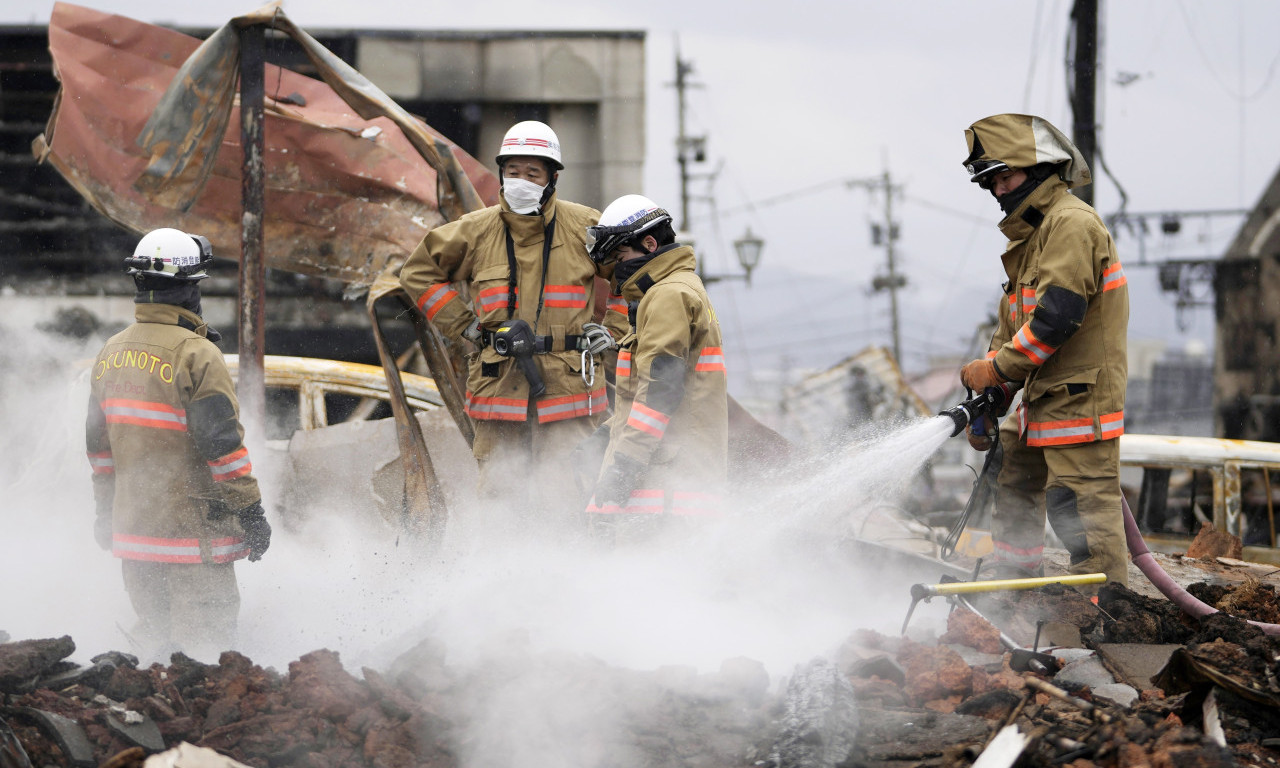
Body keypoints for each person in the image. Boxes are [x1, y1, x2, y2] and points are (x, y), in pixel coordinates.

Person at [399, 120, 627, 530]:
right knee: (500, 503)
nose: (521, 181)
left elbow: (629, 275)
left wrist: (611, 328)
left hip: (568, 391)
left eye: (532, 173)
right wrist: (463, 325)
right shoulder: (476, 230)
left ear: (552, 178)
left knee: (566, 498)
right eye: (513, 172)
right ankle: (502, 584)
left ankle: (569, 583)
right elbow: (418, 272)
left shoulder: (583, 226)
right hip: (499, 387)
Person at [958, 113, 1129, 586]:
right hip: (1043, 398)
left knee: (1079, 510)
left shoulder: (1071, 224)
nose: (998, 191)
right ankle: (1013, 585)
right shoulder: (1034, 238)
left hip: (1079, 399)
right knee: (1011, 478)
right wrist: (991, 396)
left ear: (1040, 170)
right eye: (989, 182)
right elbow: (1017, 323)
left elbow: (1056, 320)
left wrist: (995, 370)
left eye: (1005, 177)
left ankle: (1107, 611)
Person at [85, 227, 271, 659]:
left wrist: (104, 514)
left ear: (140, 283)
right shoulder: (197, 354)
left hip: (135, 539)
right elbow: (221, 448)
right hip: (194, 543)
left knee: (152, 655)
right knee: (206, 660)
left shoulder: (109, 353)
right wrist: (251, 512)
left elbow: (99, 454)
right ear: (189, 287)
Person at [580, 195, 728, 543]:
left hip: (666, 487)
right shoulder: (674, 291)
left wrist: (625, 464)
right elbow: (652, 389)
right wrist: (607, 435)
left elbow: (660, 393)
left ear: (649, 244)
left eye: (620, 258)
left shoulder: (666, 296)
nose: (617, 272)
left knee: (642, 587)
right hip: (672, 479)